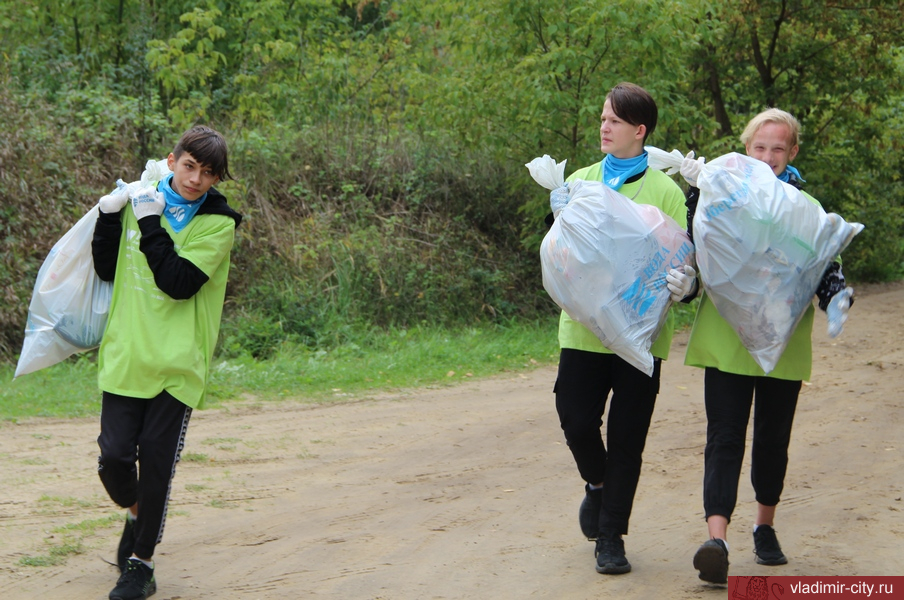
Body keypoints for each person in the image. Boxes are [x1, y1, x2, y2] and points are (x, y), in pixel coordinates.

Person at [673, 108, 854, 584]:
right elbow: (695, 246)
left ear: (792, 152)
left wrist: (836, 297)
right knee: (724, 438)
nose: (769, 156)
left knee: (773, 439)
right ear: (746, 148)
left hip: (783, 341)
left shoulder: (804, 205)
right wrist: (698, 194)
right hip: (727, 339)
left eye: (779, 148)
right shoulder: (722, 193)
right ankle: (718, 539)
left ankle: (764, 527)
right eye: (760, 147)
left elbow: (823, 264)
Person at [91, 125, 243, 600]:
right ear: (172, 159)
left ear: (217, 180)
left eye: (208, 173)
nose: (196, 180)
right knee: (115, 460)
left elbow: (177, 282)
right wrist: (109, 217)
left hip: (177, 366)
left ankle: (141, 565)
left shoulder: (218, 224)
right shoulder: (141, 202)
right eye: (190, 166)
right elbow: (104, 268)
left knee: (156, 465)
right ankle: (137, 513)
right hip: (126, 356)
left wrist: (151, 222)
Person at [551, 82, 690, 575]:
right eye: (602, 118)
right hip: (584, 330)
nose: (603, 126)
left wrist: (685, 283)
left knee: (628, 439)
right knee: (577, 421)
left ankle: (611, 537)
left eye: (613, 120)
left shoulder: (666, 191)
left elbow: (680, 258)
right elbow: (564, 252)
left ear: (639, 130)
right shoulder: (582, 179)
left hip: (640, 338)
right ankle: (597, 484)